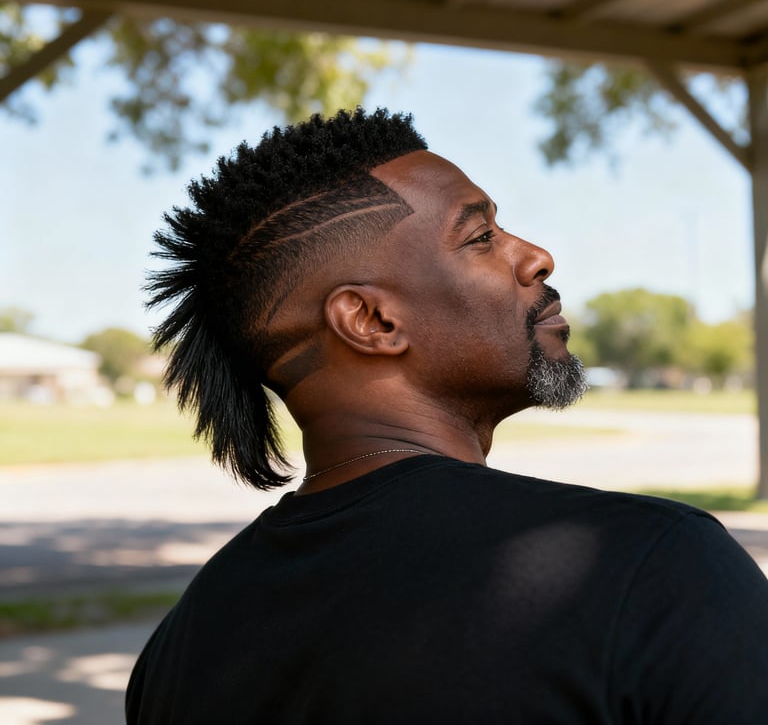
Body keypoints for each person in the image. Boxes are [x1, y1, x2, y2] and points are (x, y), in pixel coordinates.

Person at [127, 107, 768, 724]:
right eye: (481, 238)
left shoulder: (181, 648)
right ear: (372, 321)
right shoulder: (651, 566)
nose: (537, 256)